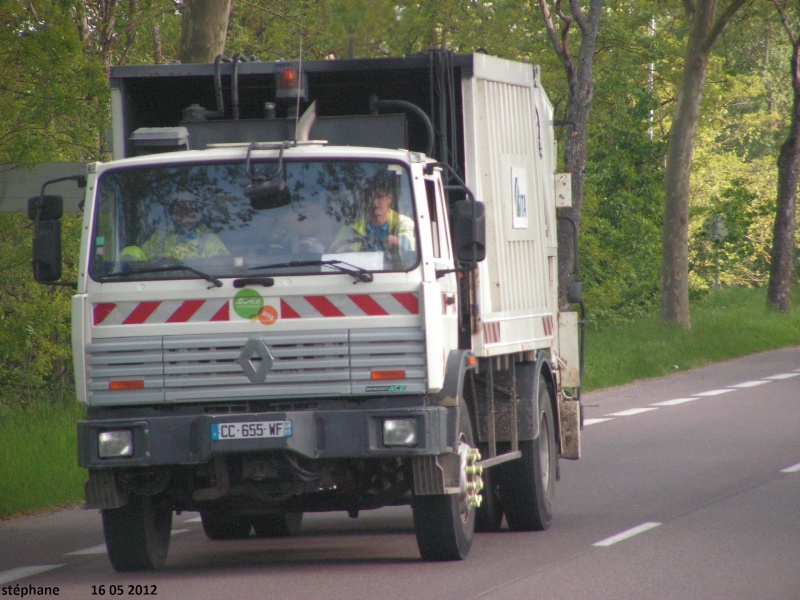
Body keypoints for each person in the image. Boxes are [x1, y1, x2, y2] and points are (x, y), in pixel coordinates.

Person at [122, 193, 229, 261]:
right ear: (173, 214)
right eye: (179, 208)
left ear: (197, 213)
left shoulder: (210, 240)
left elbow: (223, 267)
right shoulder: (159, 238)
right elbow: (141, 261)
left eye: (189, 208)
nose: (184, 212)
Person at [330, 179, 415, 255]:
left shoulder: (403, 222)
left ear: (389, 198)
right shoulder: (351, 226)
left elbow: (411, 245)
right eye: (370, 197)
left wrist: (398, 242)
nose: (374, 202)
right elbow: (334, 254)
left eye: (379, 196)